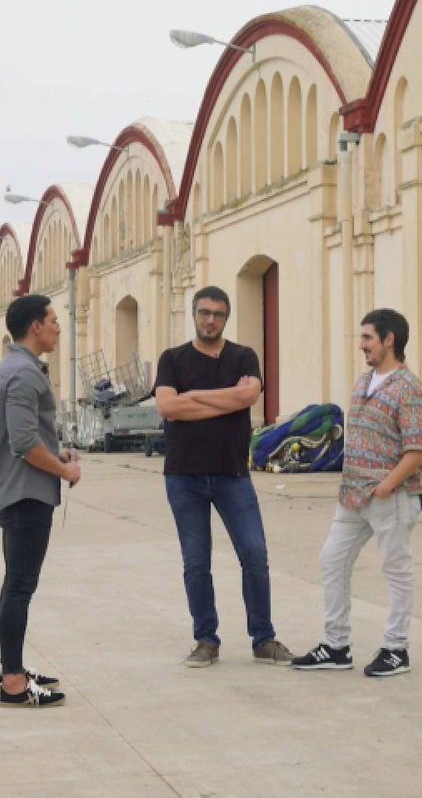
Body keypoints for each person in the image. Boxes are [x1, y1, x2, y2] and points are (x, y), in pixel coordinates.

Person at [153, 286, 294, 669]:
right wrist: (223, 399)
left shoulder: (243, 356)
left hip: (233, 474)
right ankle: (206, 640)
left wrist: (194, 399)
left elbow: (248, 397)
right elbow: (167, 406)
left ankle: (263, 639)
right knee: (196, 561)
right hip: (184, 477)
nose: (210, 320)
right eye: (204, 313)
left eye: (217, 314)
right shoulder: (172, 359)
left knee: (255, 555)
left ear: (226, 318)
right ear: (194, 315)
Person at [293, 308, 422, 678]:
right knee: (332, 560)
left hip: (392, 497)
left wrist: (386, 486)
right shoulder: (362, 381)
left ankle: (396, 649)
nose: (361, 345)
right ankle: (336, 646)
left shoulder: (408, 387)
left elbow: (416, 449)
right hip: (352, 496)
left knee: (396, 570)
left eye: (367, 337)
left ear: (389, 340)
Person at [0, 293, 81, 708]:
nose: (59, 327)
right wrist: (65, 471)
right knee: (20, 586)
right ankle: (14, 683)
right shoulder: (23, 374)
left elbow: (22, 435)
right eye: (53, 321)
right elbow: (23, 443)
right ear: (35, 327)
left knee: (15, 585)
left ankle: (14, 668)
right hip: (25, 493)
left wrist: (54, 453)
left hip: (18, 489)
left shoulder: (15, 368)